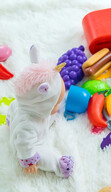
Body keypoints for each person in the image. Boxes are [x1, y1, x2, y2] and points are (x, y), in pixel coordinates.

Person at [6, 45, 74, 178]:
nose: (58, 106)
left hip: (34, 119)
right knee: (42, 156)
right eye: (56, 103)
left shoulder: (26, 103)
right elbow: (23, 143)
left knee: (15, 107)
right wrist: (28, 160)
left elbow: (15, 108)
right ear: (41, 104)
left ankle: (11, 120)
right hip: (32, 145)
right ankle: (59, 165)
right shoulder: (27, 126)